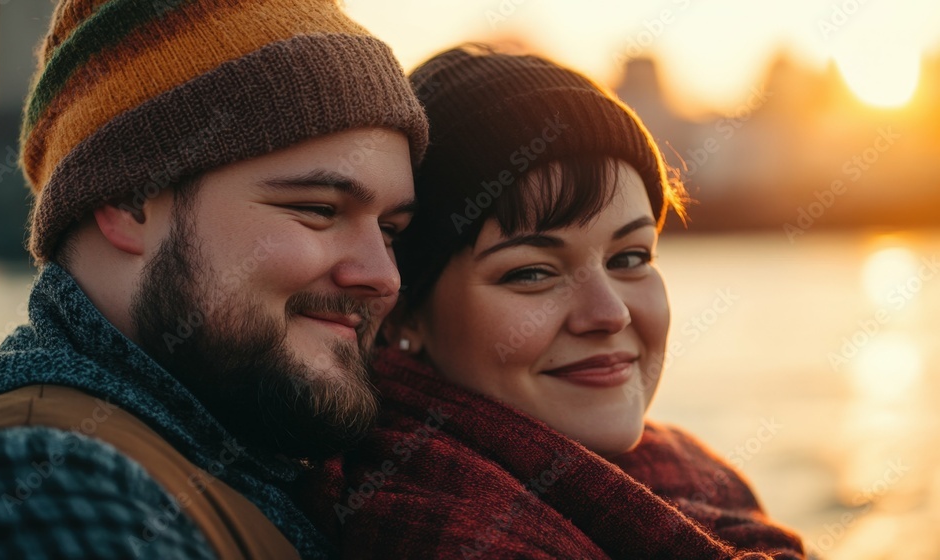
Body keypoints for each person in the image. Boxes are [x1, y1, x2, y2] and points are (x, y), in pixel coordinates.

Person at [0, 1, 428, 558]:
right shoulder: (36, 486)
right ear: (126, 204)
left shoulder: (258, 462)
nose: (383, 277)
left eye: (390, 230)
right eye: (318, 209)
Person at [296, 45, 807, 559]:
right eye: (532, 273)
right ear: (406, 314)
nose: (610, 313)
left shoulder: (681, 478)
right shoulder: (437, 529)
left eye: (630, 258)